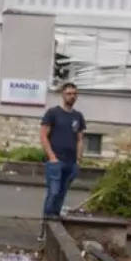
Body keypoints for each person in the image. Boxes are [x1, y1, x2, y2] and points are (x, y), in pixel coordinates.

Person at [40, 83, 85, 227]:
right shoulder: (53, 113)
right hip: (55, 161)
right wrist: (52, 157)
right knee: (53, 192)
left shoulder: (78, 116)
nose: (72, 96)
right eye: (69, 93)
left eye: (74, 94)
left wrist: (78, 160)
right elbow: (43, 135)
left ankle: (54, 224)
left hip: (70, 162)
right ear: (63, 95)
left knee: (61, 194)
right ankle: (45, 225)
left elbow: (80, 139)